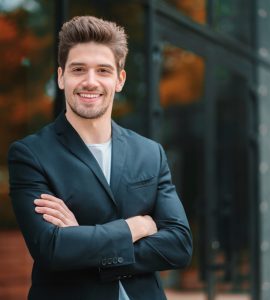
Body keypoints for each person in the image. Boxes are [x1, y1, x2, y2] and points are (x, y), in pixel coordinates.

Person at [8, 16, 192, 300]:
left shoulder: (149, 152)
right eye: (78, 69)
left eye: (103, 70)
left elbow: (179, 245)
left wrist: (81, 241)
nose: (90, 82)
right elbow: (52, 250)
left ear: (119, 79)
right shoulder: (30, 154)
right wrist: (136, 227)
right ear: (61, 77)